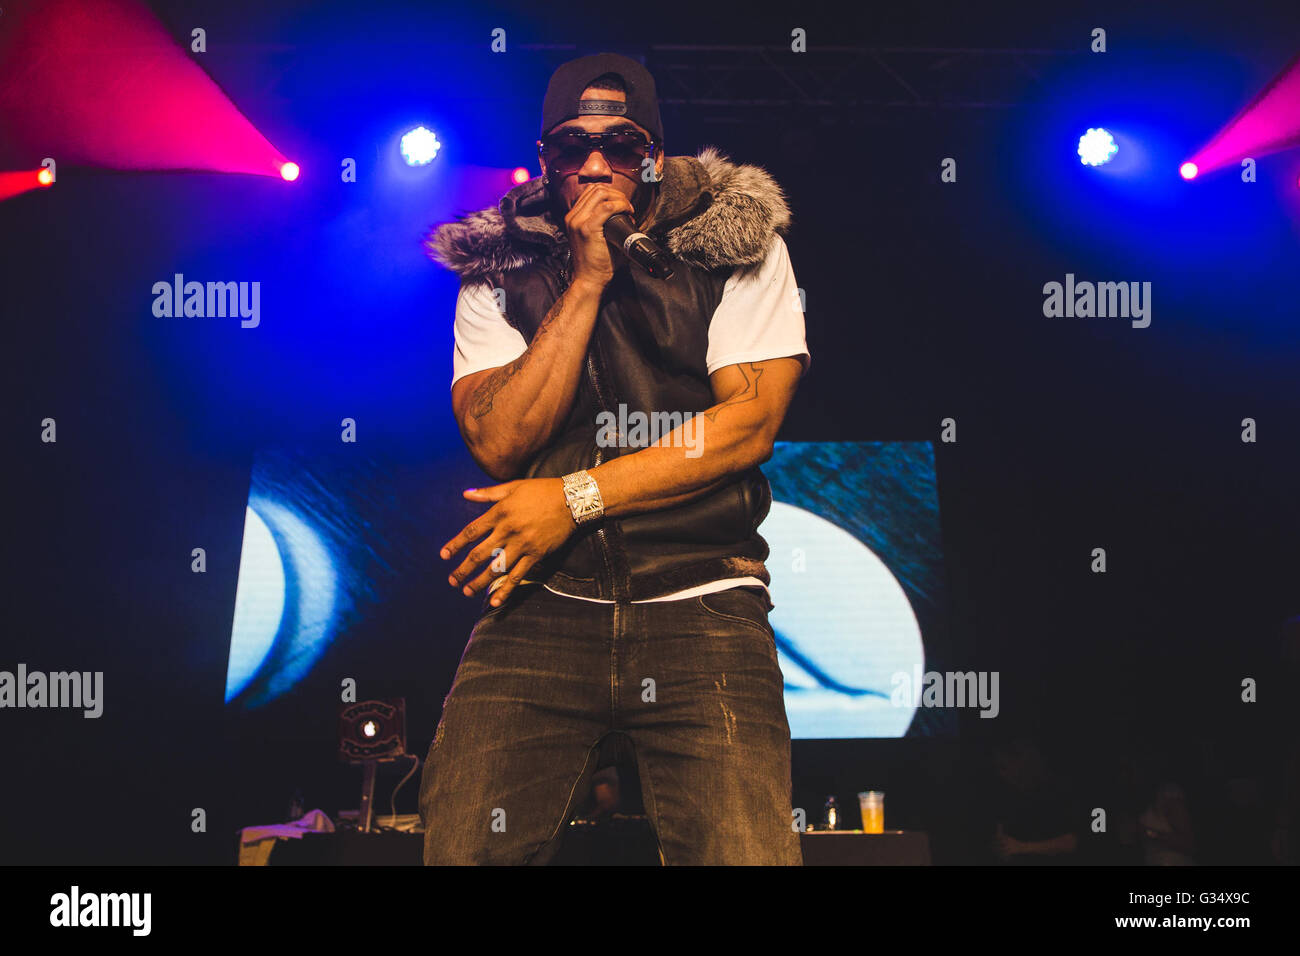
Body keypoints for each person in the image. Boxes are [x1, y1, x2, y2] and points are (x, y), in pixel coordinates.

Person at [417, 52, 810, 865]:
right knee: (462, 848)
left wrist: (575, 497)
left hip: (702, 597)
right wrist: (587, 281)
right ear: (544, 158)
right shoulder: (500, 261)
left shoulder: (733, 241)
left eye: (622, 145)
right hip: (544, 603)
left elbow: (747, 424)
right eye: (572, 147)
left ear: (653, 156)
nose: (596, 164)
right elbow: (499, 439)